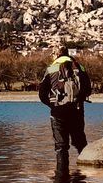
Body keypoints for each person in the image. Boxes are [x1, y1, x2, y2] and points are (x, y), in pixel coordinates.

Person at [38, 46, 91, 175]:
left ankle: (61, 178)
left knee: (61, 147)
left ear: (56, 54)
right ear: (67, 54)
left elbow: (42, 93)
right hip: (77, 110)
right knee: (80, 143)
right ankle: (84, 174)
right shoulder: (79, 67)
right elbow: (88, 89)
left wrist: (53, 106)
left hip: (58, 112)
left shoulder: (52, 68)